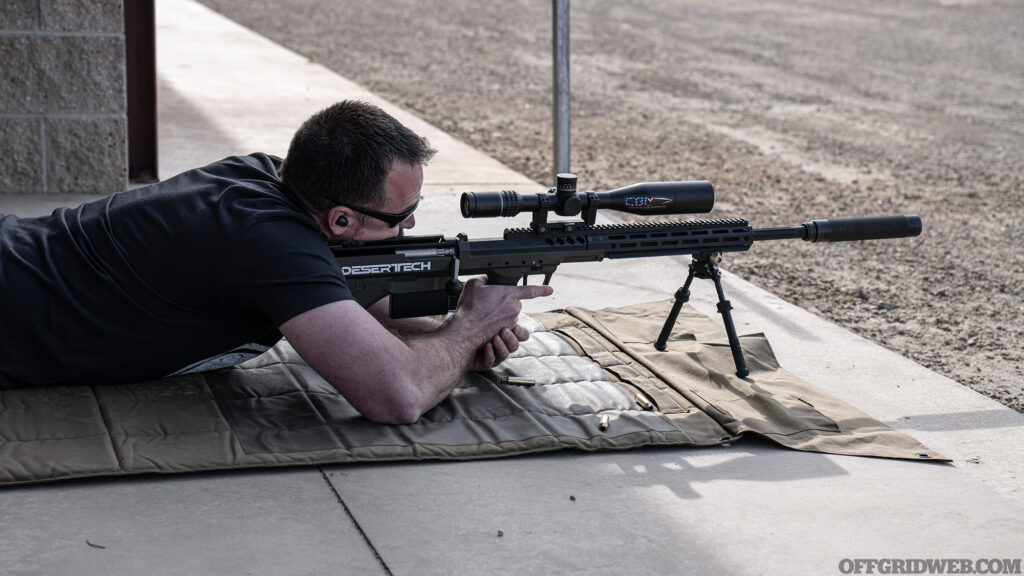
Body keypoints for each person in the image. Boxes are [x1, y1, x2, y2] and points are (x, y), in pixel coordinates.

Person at [0, 100, 552, 424]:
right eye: (400, 215)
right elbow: (396, 396)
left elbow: (346, 296)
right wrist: (468, 328)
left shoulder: (266, 176)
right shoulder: (271, 245)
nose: (409, 226)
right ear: (339, 221)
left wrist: (451, 336)